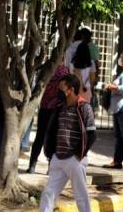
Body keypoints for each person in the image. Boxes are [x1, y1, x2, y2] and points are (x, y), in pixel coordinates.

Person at [40, 74, 96, 212]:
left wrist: (78, 155)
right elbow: (53, 130)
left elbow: (92, 134)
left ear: (70, 90)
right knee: (48, 193)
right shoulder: (59, 107)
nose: (58, 91)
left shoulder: (84, 107)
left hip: (74, 159)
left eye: (61, 88)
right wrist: (51, 153)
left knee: (81, 196)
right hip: (58, 157)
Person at [27, 60, 70, 174]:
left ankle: (32, 165)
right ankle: (51, 166)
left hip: (45, 106)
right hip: (57, 108)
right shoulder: (64, 71)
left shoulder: (45, 70)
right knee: (53, 137)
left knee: (39, 136)